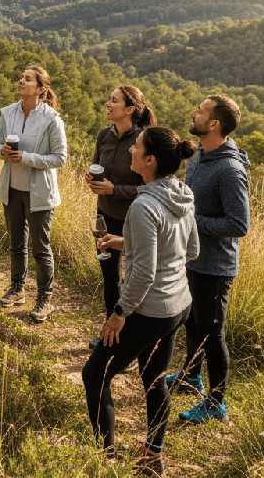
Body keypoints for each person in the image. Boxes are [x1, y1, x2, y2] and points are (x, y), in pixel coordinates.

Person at [82, 126, 199, 476]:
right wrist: (124, 243)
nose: (131, 150)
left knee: (95, 374)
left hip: (148, 308)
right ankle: (153, 455)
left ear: (149, 160)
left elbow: (144, 274)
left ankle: (106, 459)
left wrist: (119, 313)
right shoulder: (182, 193)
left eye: (137, 147)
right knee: (155, 379)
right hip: (178, 305)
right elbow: (189, 250)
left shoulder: (144, 204)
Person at [167, 95, 250, 425]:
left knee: (212, 334)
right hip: (192, 258)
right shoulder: (201, 154)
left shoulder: (230, 170)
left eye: (200, 111)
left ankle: (216, 403)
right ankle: (190, 377)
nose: (193, 113)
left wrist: (191, 220)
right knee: (192, 322)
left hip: (216, 266)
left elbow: (238, 225)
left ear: (213, 124)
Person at [86, 85, 157, 348]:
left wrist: (115, 189)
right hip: (103, 215)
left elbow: (151, 186)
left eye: (113, 101)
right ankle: (110, 336)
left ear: (129, 109)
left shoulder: (144, 141)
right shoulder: (104, 135)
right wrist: (92, 179)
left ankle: (132, 340)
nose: (107, 104)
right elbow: (98, 167)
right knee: (109, 277)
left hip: (133, 220)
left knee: (133, 281)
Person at [0, 65, 67, 324]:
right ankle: (17, 289)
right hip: (12, 188)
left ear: (41, 88)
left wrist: (26, 157)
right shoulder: (8, 112)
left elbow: (60, 158)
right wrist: (1, 151)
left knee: (40, 248)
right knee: (16, 243)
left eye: (28, 79)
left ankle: (45, 298)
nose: (21, 81)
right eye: (21, 78)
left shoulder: (51, 119)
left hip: (40, 194)